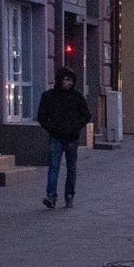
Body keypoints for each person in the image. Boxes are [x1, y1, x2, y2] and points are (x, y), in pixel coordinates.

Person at [36, 67, 92, 209]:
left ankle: (69, 196)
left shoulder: (77, 97)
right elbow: (41, 116)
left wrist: (75, 127)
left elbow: (86, 115)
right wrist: (52, 128)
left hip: (72, 138)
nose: (69, 83)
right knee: (53, 167)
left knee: (71, 168)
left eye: (71, 80)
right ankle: (51, 196)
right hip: (56, 137)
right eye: (66, 79)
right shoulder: (49, 96)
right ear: (59, 80)